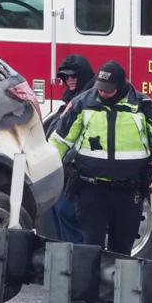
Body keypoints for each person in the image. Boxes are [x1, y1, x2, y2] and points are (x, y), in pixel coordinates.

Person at [50, 60, 152, 303]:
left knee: (122, 246)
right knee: (91, 244)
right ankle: (94, 302)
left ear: (122, 85)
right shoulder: (84, 103)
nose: (103, 92)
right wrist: (49, 169)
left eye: (108, 88)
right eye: (100, 87)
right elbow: (60, 140)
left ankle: (117, 300)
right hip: (90, 186)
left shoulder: (143, 107)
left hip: (128, 189)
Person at [46, 54, 96, 244]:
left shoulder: (88, 99)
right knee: (59, 211)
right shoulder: (75, 98)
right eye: (65, 77)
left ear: (82, 75)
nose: (69, 80)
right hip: (66, 170)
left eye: (73, 76)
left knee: (67, 212)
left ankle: (75, 260)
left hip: (81, 171)